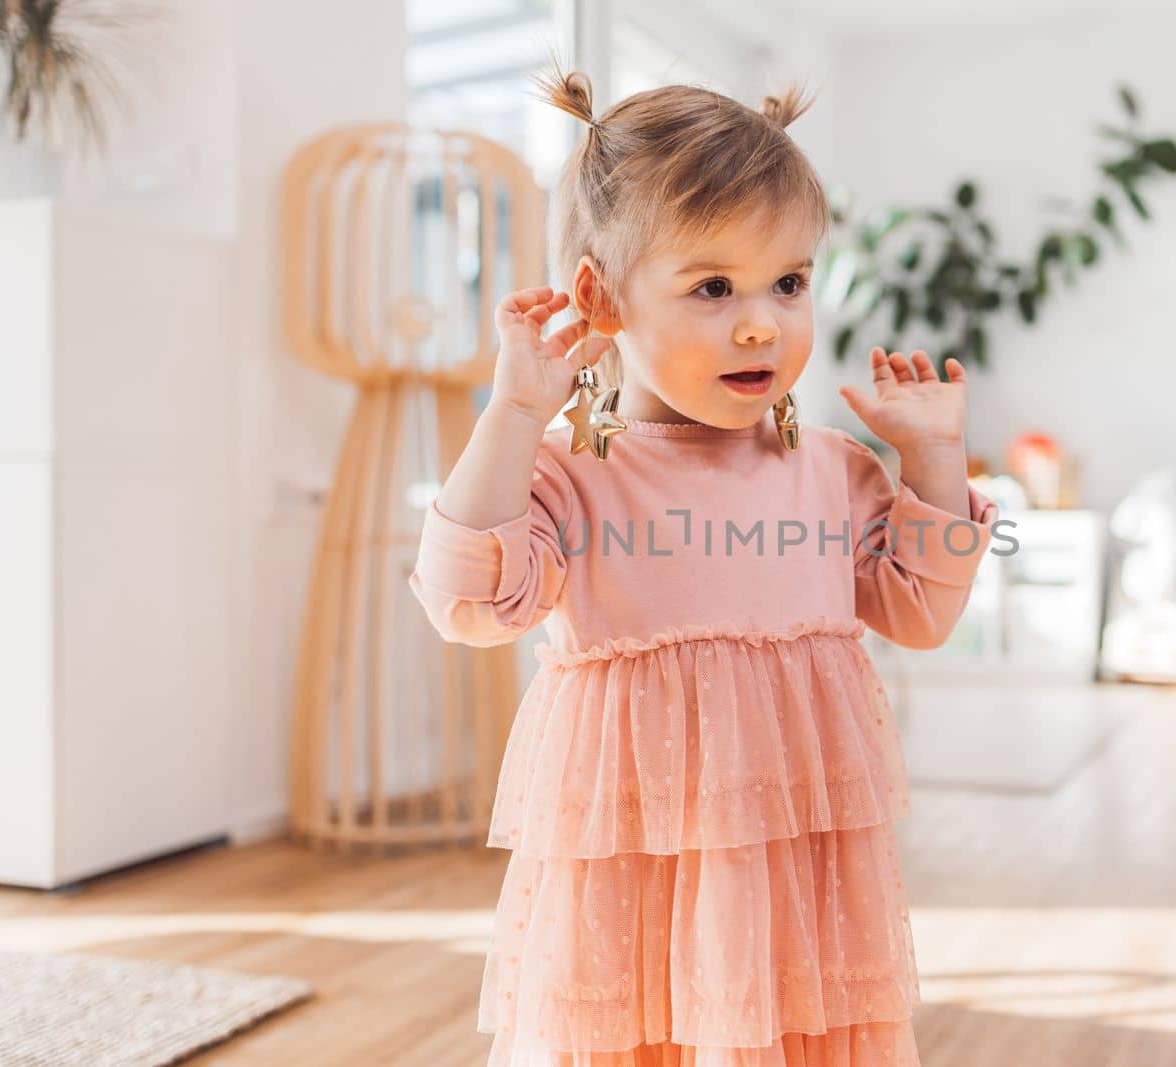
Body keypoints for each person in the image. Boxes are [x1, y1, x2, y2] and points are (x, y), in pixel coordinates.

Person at [408, 56, 1001, 1067]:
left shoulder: (829, 471)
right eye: (713, 285)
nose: (762, 319)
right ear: (600, 300)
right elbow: (465, 599)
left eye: (788, 281)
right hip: (628, 881)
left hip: (797, 889)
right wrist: (512, 412)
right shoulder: (571, 476)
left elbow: (918, 609)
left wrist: (935, 463)